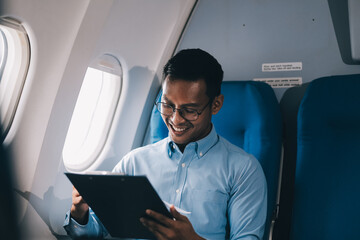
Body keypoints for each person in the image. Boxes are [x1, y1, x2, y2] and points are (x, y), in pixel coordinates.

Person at [63, 48, 267, 239]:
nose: (176, 120)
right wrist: (80, 213)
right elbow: (94, 231)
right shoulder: (135, 162)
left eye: (190, 110)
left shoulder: (243, 170)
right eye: (168, 105)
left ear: (215, 105)